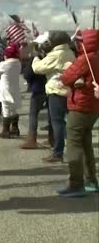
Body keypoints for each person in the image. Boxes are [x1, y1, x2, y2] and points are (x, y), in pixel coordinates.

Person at [59, 29, 99, 196]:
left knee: (74, 144)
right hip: (93, 107)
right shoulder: (96, 57)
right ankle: (91, 180)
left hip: (80, 106)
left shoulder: (85, 59)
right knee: (86, 144)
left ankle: (76, 183)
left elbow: (66, 78)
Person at [32, 31, 75, 163]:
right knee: (67, 123)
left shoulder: (57, 54)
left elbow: (38, 68)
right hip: (68, 91)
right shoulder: (70, 52)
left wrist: (36, 58)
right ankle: (72, 151)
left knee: (57, 123)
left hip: (57, 91)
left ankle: (58, 153)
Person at [21, 40, 49, 149]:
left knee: (33, 114)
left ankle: (32, 140)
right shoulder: (48, 57)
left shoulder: (34, 59)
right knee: (50, 115)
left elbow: (27, 74)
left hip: (38, 89)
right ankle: (52, 139)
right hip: (47, 87)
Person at [0, 43, 22, 138]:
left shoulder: (6, 64)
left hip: (5, 89)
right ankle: (15, 128)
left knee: (6, 109)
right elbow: (5, 65)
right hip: (15, 89)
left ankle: (6, 131)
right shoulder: (17, 63)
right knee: (13, 109)